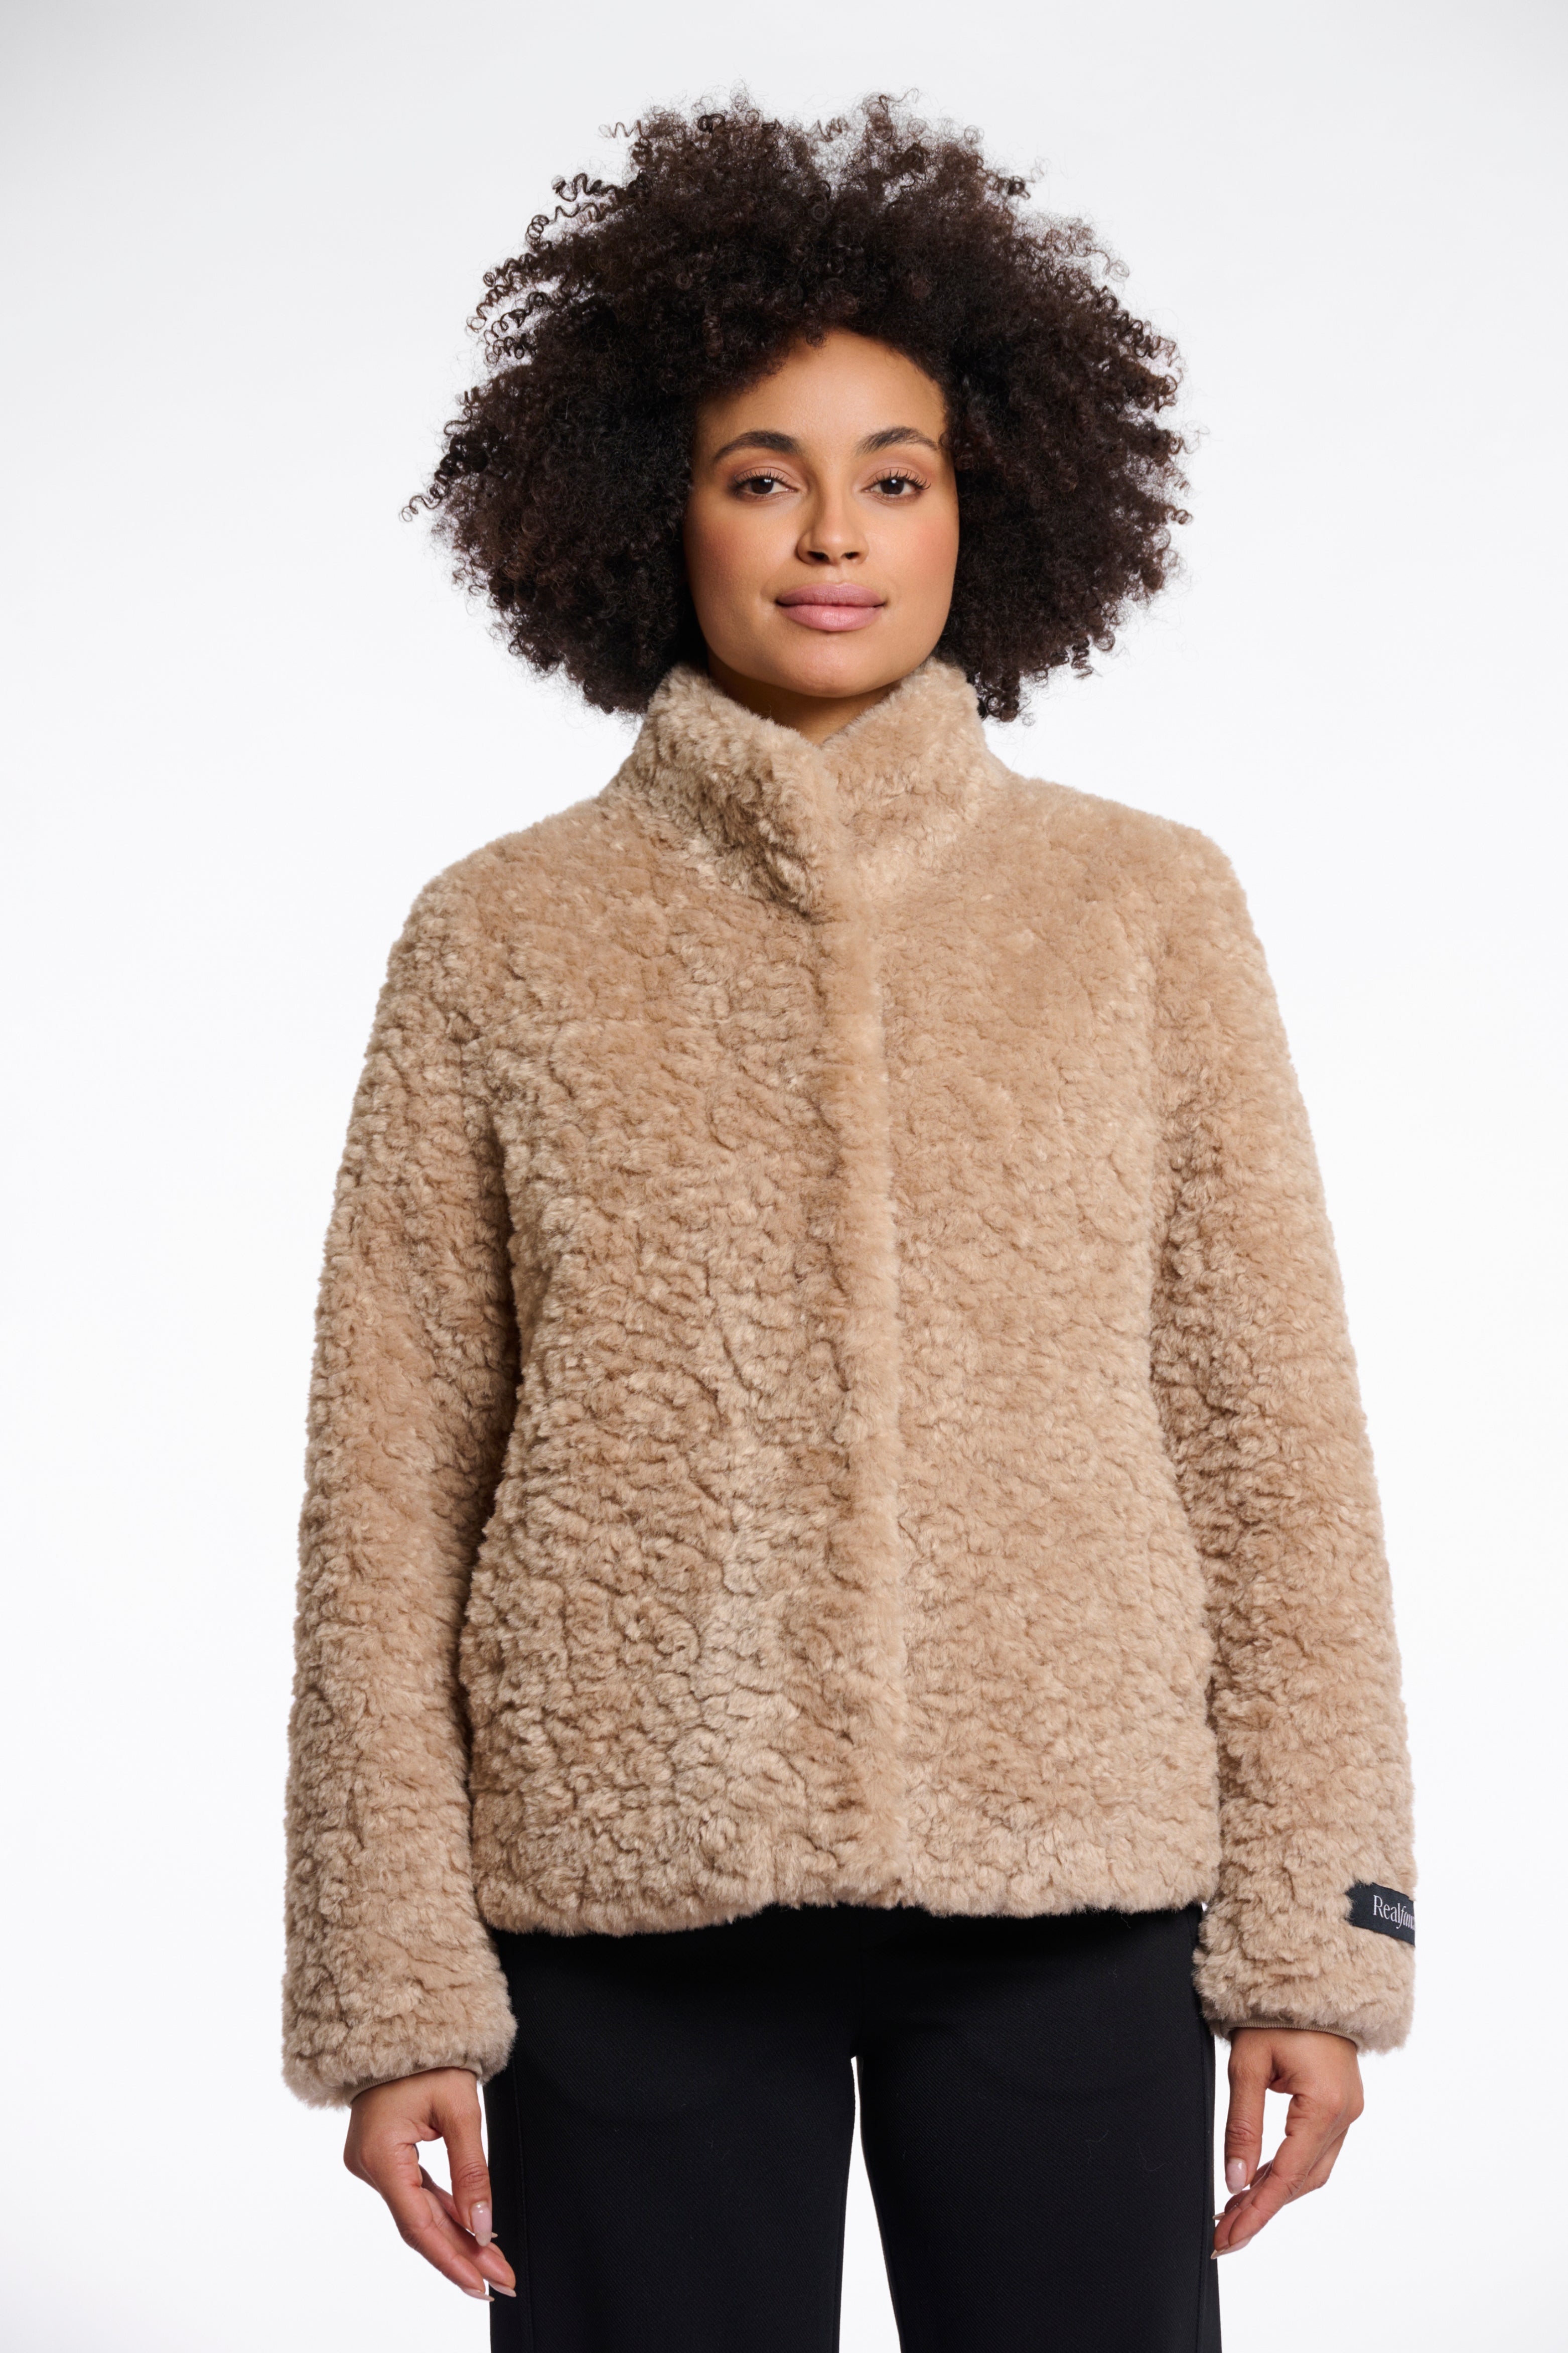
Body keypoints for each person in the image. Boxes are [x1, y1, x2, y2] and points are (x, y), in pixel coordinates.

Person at [282, 96, 1415, 2351]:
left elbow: (1267, 1433)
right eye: (759, 475)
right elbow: (388, 1482)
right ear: (650, 506)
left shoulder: (1142, 908)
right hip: (621, 1902)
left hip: (1073, 1888)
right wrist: (391, 1979)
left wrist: (1320, 1930)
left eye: (895, 476)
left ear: (987, 507)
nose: (832, 535)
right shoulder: (501, 936)